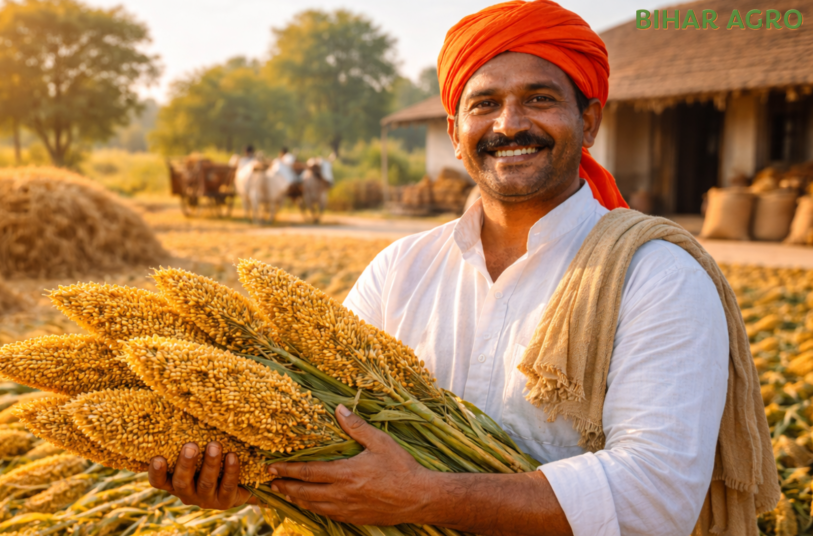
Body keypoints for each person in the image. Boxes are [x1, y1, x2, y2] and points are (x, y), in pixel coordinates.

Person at [146, 2, 776, 535]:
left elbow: (655, 497)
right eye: (485, 104)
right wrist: (255, 478)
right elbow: (320, 428)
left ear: (588, 121)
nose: (510, 124)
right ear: (455, 131)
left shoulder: (656, 276)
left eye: (539, 99)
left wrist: (426, 496)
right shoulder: (400, 269)